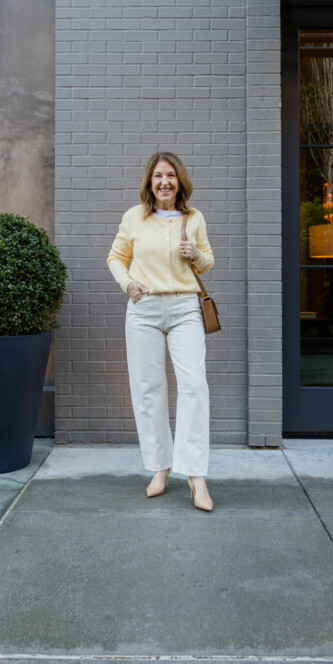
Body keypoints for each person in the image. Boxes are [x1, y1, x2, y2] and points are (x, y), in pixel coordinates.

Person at [107, 152, 215, 511]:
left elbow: (208, 261)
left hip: (185, 308)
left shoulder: (193, 217)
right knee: (149, 390)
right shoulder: (134, 217)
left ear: (179, 181)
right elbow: (115, 257)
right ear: (149, 182)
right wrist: (128, 284)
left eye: (171, 175)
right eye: (158, 176)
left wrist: (195, 254)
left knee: (194, 387)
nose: (164, 182)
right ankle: (160, 468)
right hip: (144, 310)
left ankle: (196, 476)